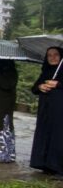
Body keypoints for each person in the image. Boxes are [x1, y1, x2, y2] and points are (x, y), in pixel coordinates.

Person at [30, 46, 63, 177]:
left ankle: (59, 167)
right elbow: (34, 88)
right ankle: (46, 165)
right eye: (49, 55)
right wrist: (40, 86)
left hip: (60, 111)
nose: (53, 57)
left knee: (58, 137)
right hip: (45, 111)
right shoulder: (46, 71)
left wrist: (58, 85)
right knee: (45, 135)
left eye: (56, 55)